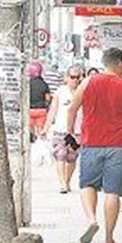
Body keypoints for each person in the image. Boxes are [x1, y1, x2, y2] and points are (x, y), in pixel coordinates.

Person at [66, 48, 122, 243]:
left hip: (92, 141)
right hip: (119, 144)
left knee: (87, 185)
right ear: (120, 63)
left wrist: (70, 133)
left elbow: (72, 108)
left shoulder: (87, 82)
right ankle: (109, 238)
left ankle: (92, 219)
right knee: (113, 192)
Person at [44, 65, 84, 193]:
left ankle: (67, 181)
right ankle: (62, 183)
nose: (75, 80)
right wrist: (46, 127)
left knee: (72, 157)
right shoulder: (60, 92)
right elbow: (53, 110)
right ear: (67, 78)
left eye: (78, 77)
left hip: (76, 131)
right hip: (60, 129)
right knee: (60, 155)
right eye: (72, 77)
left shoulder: (83, 91)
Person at [28, 61, 52, 137]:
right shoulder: (44, 84)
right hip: (41, 110)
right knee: (40, 130)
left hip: (30, 109)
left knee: (30, 129)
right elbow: (48, 98)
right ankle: (39, 141)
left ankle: (31, 138)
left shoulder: (28, 84)